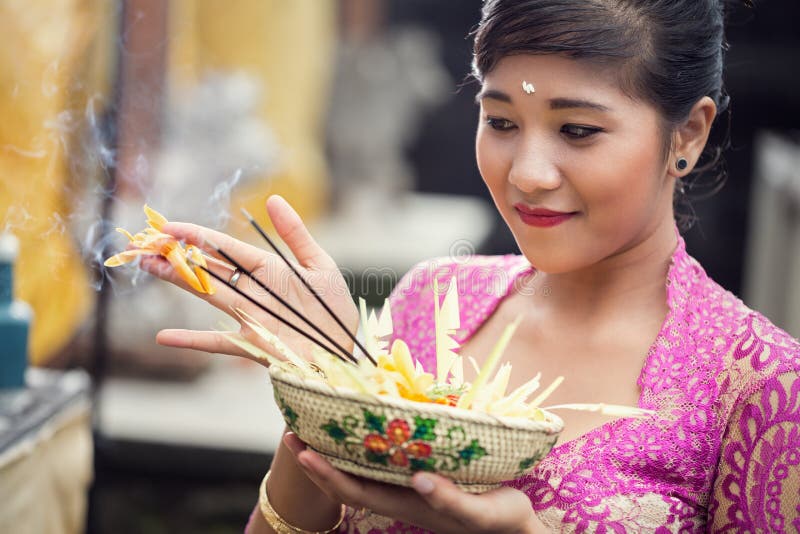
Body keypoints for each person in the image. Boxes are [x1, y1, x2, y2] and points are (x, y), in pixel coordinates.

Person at [141, 0, 800, 531]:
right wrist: (329, 390)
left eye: (577, 130)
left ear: (686, 133)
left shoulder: (757, 384)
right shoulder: (433, 302)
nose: (529, 174)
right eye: (502, 120)